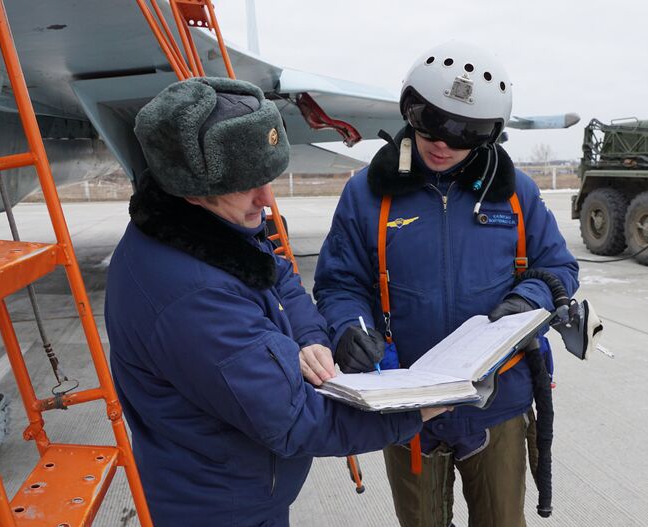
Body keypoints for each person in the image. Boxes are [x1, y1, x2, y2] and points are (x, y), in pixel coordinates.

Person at [104, 77, 445, 527]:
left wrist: (309, 337)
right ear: (190, 188)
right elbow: (295, 421)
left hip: (241, 486)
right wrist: (415, 409)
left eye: (267, 179)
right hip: (219, 509)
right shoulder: (195, 298)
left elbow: (275, 274)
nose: (267, 200)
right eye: (248, 185)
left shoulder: (203, 227)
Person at [313, 41, 579, 527]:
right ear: (408, 108)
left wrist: (528, 299)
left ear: (490, 135)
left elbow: (559, 268)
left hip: (497, 402)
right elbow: (339, 284)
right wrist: (349, 328)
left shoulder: (517, 193)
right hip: (407, 406)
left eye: (464, 133)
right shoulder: (365, 194)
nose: (441, 142)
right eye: (429, 120)